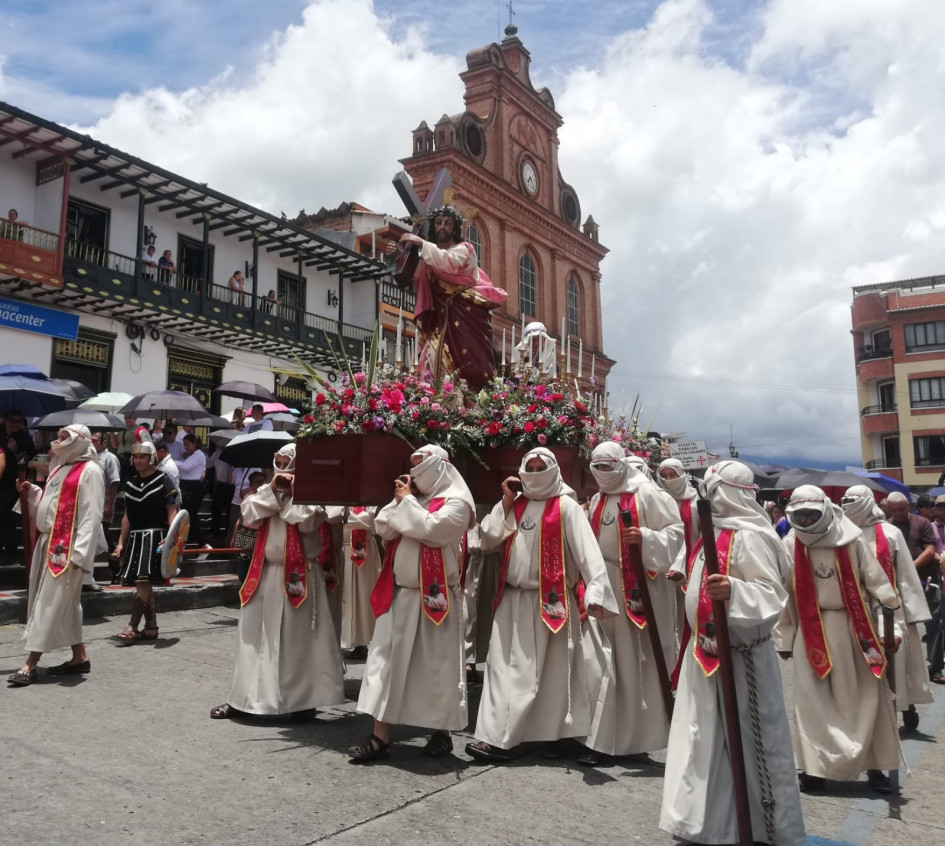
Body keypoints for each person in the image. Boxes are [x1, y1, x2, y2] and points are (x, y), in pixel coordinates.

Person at [660, 460, 805, 846]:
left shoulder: (751, 536)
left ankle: (760, 828)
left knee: (747, 743)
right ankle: (704, 822)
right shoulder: (711, 533)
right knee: (702, 739)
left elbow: (772, 593)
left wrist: (735, 593)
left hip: (742, 657)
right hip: (704, 654)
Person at [465, 447, 618, 763]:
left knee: (552, 675)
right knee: (502, 670)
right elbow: (485, 540)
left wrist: (595, 594)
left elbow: (589, 554)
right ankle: (496, 737)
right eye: (529, 467)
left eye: (540, 467)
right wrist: (505, 504)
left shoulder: (567, 507)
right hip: (511, 599)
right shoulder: (515, 504)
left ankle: (549, 734)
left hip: (552, 601)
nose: (534, 473)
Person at [349, 445, 474, 762]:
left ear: (440, 468)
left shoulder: (459, 503)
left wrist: (408, 506)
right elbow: (384, 527)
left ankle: (441, 734)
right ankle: (380, 737)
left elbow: (431, 531)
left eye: (420, 469)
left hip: (437, 598)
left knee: (435, 668)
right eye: (411, 469)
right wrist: (400, 499)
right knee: (383, 665)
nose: (414, 475)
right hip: (400, 593)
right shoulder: (411, 500)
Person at [774, 485, 901, 794]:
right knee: (812, 704)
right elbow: (783, 594)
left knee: (866, 700)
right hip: (810, 631)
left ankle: (875, 767)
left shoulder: (850, 540)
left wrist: (892, 629)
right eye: (799, 515)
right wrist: (784, 638)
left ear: (825, 511)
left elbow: (880, 587)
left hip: (854, 628)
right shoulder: (789, 544)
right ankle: (816, 769)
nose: (805, 520)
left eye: (811, 514)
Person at [211, 444, 345, 720]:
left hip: (301, 576)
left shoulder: (311, 493)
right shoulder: (266, 488)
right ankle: (243, 700)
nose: (282, 469)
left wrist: (292, 495)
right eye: (279, 463)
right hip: (265, 572)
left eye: (288, 463)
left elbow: (305, 522)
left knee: (298, 641)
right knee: (252, 638)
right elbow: (248, 515)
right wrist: (273, 491)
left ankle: (301, 703)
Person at [581, 442, 684, 766]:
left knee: (633, 664)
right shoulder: (598, 498)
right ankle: (600, 736)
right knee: (602, 661)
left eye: (607, 467)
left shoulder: (647, 494)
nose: (602, 474)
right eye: (596, 468)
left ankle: (631, 739)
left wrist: (646, 539)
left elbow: (676, 533)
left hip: (639, 588)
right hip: (604, 586)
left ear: (621, 465)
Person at [8, 425, 105, 686]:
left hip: (67, 549)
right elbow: (52, 504)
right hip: (48, 542)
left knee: (48, 602)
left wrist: (81, 554)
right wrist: (32, 492)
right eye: (59, 437)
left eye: (65, 438)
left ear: (79, 442)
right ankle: (79, 657)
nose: (59, 441)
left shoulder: (91, 470)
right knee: (67, 604)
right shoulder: (60, 467)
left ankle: (31, 661)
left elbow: (91, 515)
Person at [842, 485, 933, 731]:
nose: (849, 504)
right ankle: (872, 718)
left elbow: (905, 573)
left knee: (896, 664)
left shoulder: (890, 533)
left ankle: (905, 708)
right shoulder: (840, 534)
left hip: (889, 609)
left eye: (854, 500)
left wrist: (913, 612)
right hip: (856, 610)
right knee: (865, 668)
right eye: (845, 500)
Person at [392, 205, 507, 388]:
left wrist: (421, 243)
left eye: (447, 223)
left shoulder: (466, 249)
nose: (442, 227)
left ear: (455, 228)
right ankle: (435, 403)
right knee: (430, 356)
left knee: (470, 363)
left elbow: (450, 262)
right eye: (438, 222)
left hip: (466, 318)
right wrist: (400, 254)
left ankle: (467, 402)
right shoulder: (431, 258)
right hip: (439, 320)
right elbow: (418, 273)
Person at [113, 442, 178, 641]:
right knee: (144, 583)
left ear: (151, 459)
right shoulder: (130, 482)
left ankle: (132, 626)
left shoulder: (163, 479)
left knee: (142, 582)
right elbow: (127, 516)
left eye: (142, 457)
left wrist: (172, 535)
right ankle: (151, 627)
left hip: (155, 537)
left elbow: (171, 510)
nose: (138, 460)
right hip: (136, 537)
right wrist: (120, 542)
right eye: (136, 457)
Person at [885, 491, 941, 683]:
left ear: (908, 506)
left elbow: (930, 549)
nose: (899, 513)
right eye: (894, 510)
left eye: (902, 509)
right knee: (903, 626)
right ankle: (905, 668)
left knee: (935, 623)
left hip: (925, 580)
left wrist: (909, 567)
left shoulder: (921, 523)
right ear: (888, 509)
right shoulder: (886, 526)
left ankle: (935, 666)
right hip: (896, 583)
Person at [340, 506, 382, 658]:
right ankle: (343, 639)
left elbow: (368, 521)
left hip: (364, 552)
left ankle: (362, 643)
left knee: (363, 596)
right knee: (345, 596)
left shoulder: (369, 497)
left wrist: (345, 516)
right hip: (343, 550)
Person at [90, 431, 121, 587]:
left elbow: (114, 482)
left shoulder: (110, 458)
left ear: (104, 443)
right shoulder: (91, 458)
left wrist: (109, 504)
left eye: (95, 441)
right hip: (92, 505)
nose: (92, 443)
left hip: (104, 505)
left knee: (107, 538)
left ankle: (117, 570)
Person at [177, 433, 207, 546]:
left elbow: (186, 467)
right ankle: (186, 539)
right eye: (184, 445)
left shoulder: (199, 454)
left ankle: (203, 543)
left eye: (188, 444)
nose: (186, 447)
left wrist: (172, 461)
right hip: (186, 485)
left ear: (194, 444)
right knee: (186, 515)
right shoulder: (190, 455)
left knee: (191, 515)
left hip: (194, 486)